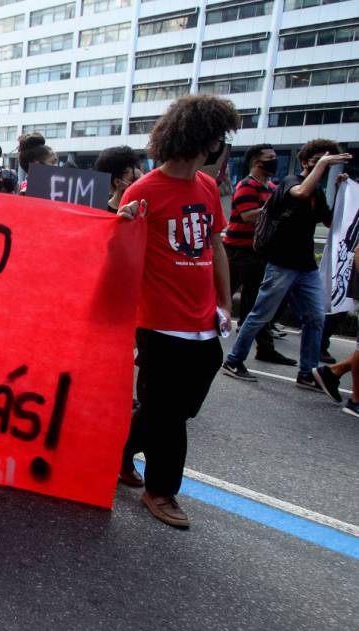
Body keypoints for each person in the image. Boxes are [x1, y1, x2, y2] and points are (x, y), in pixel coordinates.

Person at [116, 94, 239, 529]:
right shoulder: (144, 191)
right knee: (168, 416)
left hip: (204, 325)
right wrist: (122, 222)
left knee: (171, 410)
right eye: (220, 139)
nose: (222, 148)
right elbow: (117, 253)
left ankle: (118, 451)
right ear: (204, 142)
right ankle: (161, 490)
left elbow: (215, 246)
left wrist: (225, 303)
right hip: (159, 324)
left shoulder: (206, 188)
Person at [223, 139, 352, 395]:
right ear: (306, 162)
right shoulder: (290, 182)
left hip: (306, 267)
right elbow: (299, 193)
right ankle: (234, 360)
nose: (323, 167)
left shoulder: (317, 191)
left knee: (315, 318)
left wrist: (339, 189)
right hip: (280, 263)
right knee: (260, 314)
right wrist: (322, 165)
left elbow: (329, 221)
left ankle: (307, 372)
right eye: (318, 162)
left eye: (327, 162)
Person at [220, 144, 295, 366]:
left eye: (274, 157)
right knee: (221, 299)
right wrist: (277, 209)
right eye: (269, 158)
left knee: (257, 305)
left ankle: (265, 348)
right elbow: (247, 216)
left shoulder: (271, 187)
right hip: (237, 252)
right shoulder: (246, 186)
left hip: (259, 253)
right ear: (256, 162)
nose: (274, 161)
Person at [93, 145, 143, 213]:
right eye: (133, 179)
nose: (139, 183)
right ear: (117, 182)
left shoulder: (143, 206)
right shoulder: (101, 211)